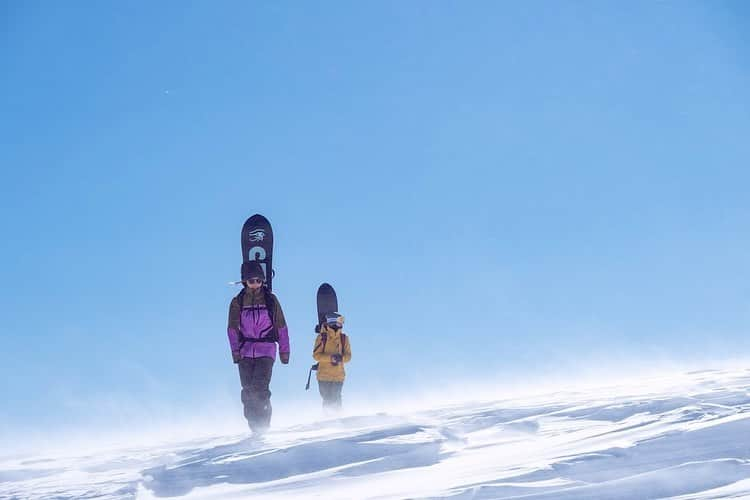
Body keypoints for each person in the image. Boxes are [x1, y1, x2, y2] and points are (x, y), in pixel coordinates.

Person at [227, 261, 290, 434]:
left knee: (259, 388)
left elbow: (281, 325)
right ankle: (254, 427)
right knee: (247, 392)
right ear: (245, 281)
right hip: (245, 351)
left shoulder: (270, 299)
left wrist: (285, 350)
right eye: (251, 280)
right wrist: (235, 351)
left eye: (258, 280)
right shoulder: (237, 301)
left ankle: (264, 426)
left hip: (266, 349)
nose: (255, 283)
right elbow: (232, 329)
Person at [312, 312, 351, 410]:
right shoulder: (322, 338)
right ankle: (327, 419)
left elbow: (348, 356)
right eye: (339, 322)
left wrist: (340, 358)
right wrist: (331, 358)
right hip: (324, 376)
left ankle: (337, 418)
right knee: (327, 399)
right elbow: (316, 355)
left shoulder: (344, 338)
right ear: (333, 323)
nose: (341, 324)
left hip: (338, 376)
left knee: (336, 397)